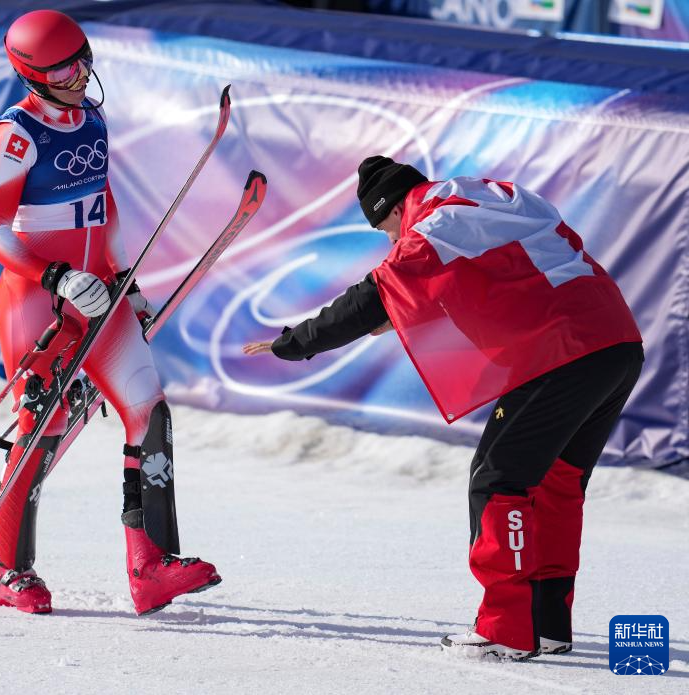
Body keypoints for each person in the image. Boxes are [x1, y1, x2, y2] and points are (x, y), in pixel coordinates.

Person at [243, 156, 643, 660]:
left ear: (392, 210)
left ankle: (507, 628)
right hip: (616, 343)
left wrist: (293, 343)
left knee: (498, 480)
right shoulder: (493, 194)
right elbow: (507, 267)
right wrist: (401, 307)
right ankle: (546, 625)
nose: (392, 241)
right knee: (554, 483)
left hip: (560, 351)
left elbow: (370, 297)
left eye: (386, 231)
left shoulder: (434, 222)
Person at [0, 9, 220, 616]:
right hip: (37, 300)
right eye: (62, 70)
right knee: (45, 421)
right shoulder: (15, 136)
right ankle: (8, 571)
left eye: (82, 59)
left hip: (100, 293)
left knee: (148, 409)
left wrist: (124, 281)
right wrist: (56, 277)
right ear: (31, 75)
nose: (79, 75)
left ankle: (151, 566)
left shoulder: (92, 117)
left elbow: (102, 207)